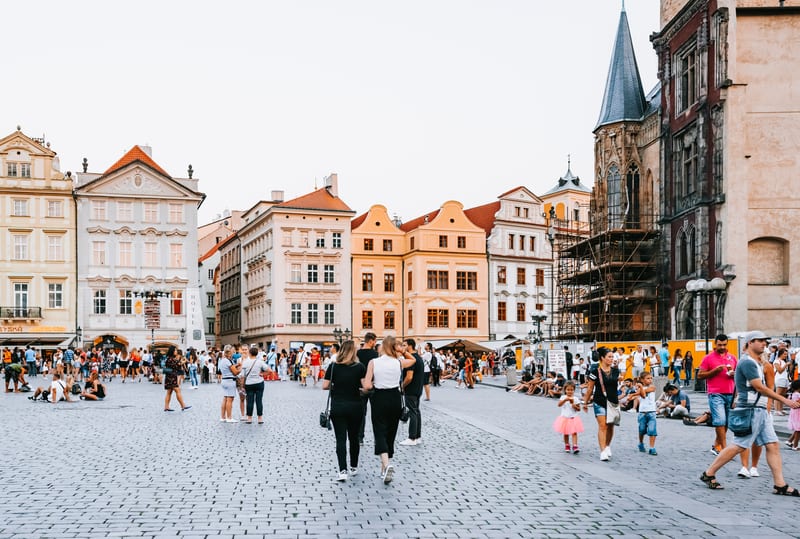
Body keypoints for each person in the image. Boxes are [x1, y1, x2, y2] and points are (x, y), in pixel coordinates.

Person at [700, 331, 800, 494]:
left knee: (773, 444)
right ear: (750, 343)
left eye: (765, 342)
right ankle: (709, 473)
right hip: (750, 409)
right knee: (740, 445)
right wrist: (783, 400)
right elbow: (759, 387)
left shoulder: (758, 362)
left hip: (759, 409)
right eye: (760, 341)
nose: (764, 344)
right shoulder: (747, 362)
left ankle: (779, 484)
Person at [361, 335, 416, 484]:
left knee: (380, 431)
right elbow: (414, 360)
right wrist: (403, 351)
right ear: (394, 347)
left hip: (379, 398)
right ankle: (384, 470)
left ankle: (386, 465)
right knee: (391, 432)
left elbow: (366, 385)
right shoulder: (398, 362)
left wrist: (370, 385)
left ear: (382, 347)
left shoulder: (374, 362)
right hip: (395, 398)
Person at [323, 340, 367, 481]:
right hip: (355, 406)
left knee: (340, 439)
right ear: (353, 351)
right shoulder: (360, 367)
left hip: (338, 406)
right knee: (354, 438)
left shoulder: (333, 367)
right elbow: (365, 387)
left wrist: (338, 387)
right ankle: (354, 466)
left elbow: (325, 386)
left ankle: (342, 470)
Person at [697, 334, 738, 456]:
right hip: (715, 393)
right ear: (715, 344)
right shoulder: (708, 358)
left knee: (726, 422)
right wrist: (715, 371)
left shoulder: (733, 358)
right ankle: (725, 449)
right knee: (720, 420)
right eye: (720, 345)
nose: (722, 347)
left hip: (730, 392)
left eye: (724, 344)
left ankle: (717, 445)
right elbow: (699, 375)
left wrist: (734, 374)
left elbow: (738, 376)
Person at [582, 346, 619, 461]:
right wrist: (585, 402)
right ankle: (602, 450)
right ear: (602, 358)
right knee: (603, 426)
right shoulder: (594, 372)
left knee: (611, 426)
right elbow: (590, 388)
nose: (612, 359)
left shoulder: (616, 371)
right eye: (609, 357)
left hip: (613, 401)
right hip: (599, 401)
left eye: (612, 357)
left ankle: (607, 445)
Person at [399, 338, 424, 446]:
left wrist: (402, 386)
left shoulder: (411, 360)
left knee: (412, 412)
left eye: (404, 345)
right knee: (416, 411)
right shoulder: (419, 358)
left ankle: (412, 437)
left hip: (411, 389)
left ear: (410, 346)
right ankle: (417, 436)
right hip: (418, 389)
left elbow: (409, 377)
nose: (403, 347)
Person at [356, 332, 379, 445]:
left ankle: (360, 438)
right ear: (371, 341)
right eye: (375, 341)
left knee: (361, 413)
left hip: (360, 386)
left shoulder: (357, 354)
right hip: (373, 385)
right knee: (376, 414)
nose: (375, 343)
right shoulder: (376, 354)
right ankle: (377, 439)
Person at [553, 380, 583, 454]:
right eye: (568, 390)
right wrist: (565, 400)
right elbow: (559, 405)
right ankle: (567, 444)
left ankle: (575, 445)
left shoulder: (575, 399)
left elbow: (579, 409)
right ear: (565, 390)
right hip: (565, 418)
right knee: (566, 432)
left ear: (574, 390)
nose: (570, 392)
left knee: (574, 432)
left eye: (571, 390)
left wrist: (574, 405)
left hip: (573, 418)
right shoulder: (563, 397)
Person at [241, 346, 268, 424]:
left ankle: (249, 418)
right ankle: (260, 418)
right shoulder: (260, 362)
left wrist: (243, 386)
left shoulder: (245, 362)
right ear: (257, 354)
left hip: (249, 383)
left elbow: (243, 376)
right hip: (259, 383)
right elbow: (269, 370)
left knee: (250, 401)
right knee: (259, 401)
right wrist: (263, 374)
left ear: (249, 353)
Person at [636, 372, 658, 455]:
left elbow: (644, 393)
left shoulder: (652, 387)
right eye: (648, 378)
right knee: (642, 429)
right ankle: (641, 443)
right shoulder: (639, 389)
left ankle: (652, 447)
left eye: (651, 378)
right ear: (642, 380)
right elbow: (643, 395)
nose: (650, 380)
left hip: (652, 412)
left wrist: (640, 389)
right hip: (642, 412)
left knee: (652, 430)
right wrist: (640, 389)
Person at [163, 346, 190, 412]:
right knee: (177, 390)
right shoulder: (170, 359)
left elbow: (177, 364)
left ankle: (166, 407)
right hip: (171, 377)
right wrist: (183, 362)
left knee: (169, 392)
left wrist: (181, 362)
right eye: (175, 350)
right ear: (172, 351)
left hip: (170, 377)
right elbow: (177, 365)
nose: (176, 352)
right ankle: (183, 405)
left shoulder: (170, 358)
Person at [218, 344, 239, 423]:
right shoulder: (229, 361)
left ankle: (222, 417)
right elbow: (235, 372)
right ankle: (229, 417)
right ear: (230, 352)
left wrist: (236, 365)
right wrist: (241, 368)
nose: (233, 352)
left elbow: (229, 368)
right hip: (230, 381)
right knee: (230, 400)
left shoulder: (223, 360)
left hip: (224, 380)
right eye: (233, 351)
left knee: (225, 399)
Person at [785, 379, 800, 450]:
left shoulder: (792, 394)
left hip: (794, 413)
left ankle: (789, 441)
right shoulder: (798, 395)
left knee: (798, 429)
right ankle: (795, 446)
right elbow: (798, 403)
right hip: (798, 414)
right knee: (798, 430)